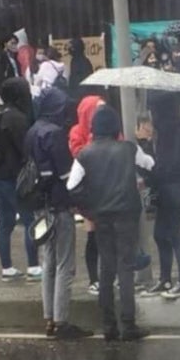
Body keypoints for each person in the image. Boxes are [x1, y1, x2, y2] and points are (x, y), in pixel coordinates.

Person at [67, 105, 154, 342]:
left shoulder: (85, 154)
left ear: (94, 128)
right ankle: (129, 324)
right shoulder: (128, 149)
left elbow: (71, 187)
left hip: (101, 218)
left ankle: (109, 326)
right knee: (126, 268)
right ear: (116, 127)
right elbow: (150, 165)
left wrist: (88, 209)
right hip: (127, 215)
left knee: (106, 270)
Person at [24, 86, 90, 340]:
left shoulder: (32, 131)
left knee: (48, 262)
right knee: (65, 264)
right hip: (59, 206)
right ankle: (62, 321)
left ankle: (49, 319)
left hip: (40, 206)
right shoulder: (54, 133)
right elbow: (66, 175)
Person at [143, 92, 180, 298]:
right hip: (168, 189)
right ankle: (166, 279)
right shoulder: (168, 131)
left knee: (175, 236)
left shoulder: (172, 133)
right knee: (160, 235)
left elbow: (168, 165)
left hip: (172, 189)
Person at [0, 78, 40, 282]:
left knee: (6, 222)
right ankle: (34, 266)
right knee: (30, 220)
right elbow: (26, 149)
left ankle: (7, 267)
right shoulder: (18, 119)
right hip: (15, 178)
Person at [69, 95, 105, 293]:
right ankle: (94, 278)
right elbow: (78, 153)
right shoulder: (77, 132)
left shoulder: (111, 128)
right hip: (89, 192)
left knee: (109, 235)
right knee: (93, 235)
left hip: (108, 189)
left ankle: (111, 275)